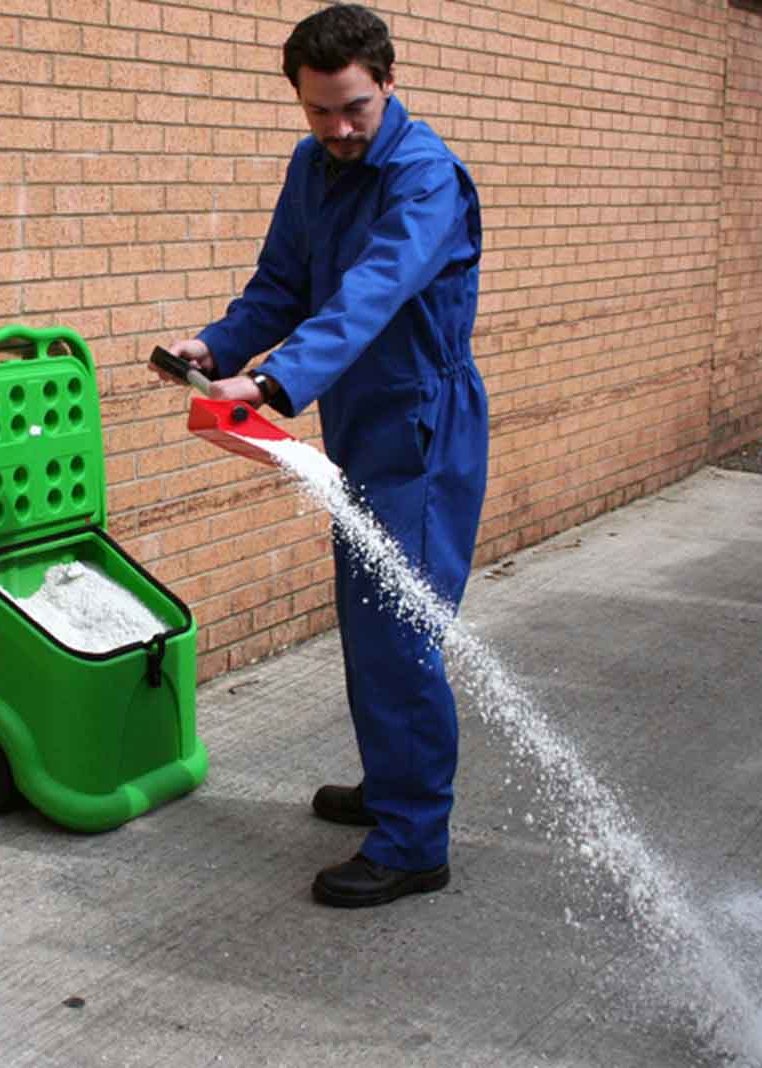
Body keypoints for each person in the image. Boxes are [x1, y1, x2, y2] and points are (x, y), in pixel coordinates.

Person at [160, 3, 488, 908]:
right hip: (355, 415)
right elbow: (284, 283)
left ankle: (417, 840)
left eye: (354, 108)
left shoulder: (426, 177)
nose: (338, 129)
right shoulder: (315, 166)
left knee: (400, 631)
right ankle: (394, 788)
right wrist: (220, 348)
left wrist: (270, 385)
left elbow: (371, 295)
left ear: (388, 82)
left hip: (423, 423)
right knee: (370, 618)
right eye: (319, 112)